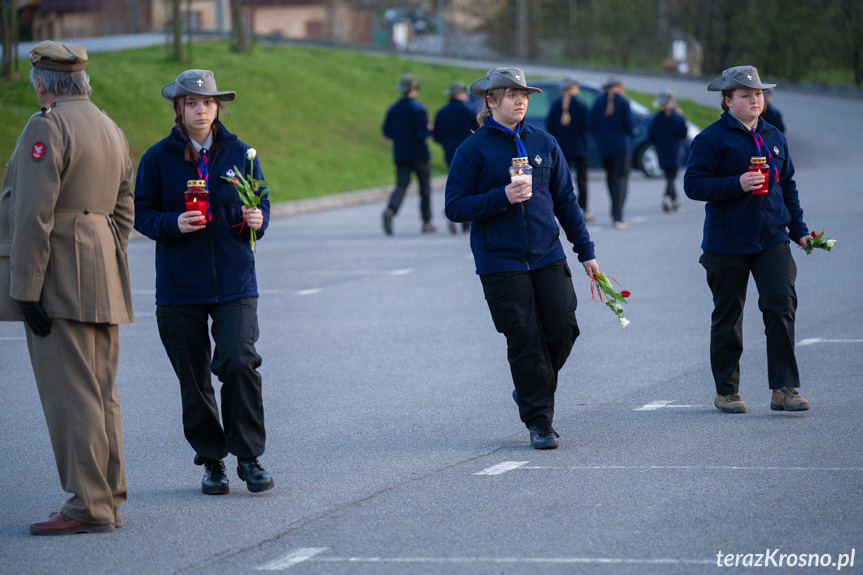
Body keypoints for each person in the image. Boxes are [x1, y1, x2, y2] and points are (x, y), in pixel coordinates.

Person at [0, 41, 134, 535]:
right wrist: (103, 251)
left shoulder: (47, 125)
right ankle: (109, 496)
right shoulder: (109, 126)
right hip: (100, 268)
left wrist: (26, 287)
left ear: (43, 81)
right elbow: (124, 208)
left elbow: (33, 212)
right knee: (101, 392)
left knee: (70, 393)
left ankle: (87, 506)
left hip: (58, 273)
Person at [134, 69, 275, 495]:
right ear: (178, 108)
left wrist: (259, 219)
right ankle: (212, 461)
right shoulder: (158, 158)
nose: (201, 110)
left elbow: (261, 200)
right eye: (192, 103)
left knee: (238, 361)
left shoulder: (240, 153)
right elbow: (141, 214)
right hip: (180, 288)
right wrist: (173, 222)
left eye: (208, 103)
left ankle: (248, 457)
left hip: (235, 280)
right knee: (194, 377)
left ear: (218, 108)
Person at [445, 67, 599, 450]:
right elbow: (455, 205)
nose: (520, 100)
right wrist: (502, 197)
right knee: (525, 341)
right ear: (491, 101)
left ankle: (530, 387)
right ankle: (539, 422)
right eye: (511, 94)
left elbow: (566, 200)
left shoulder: (545, 142)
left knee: (564, 328)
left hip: (548, 254)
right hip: (501, 263)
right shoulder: (473, 149)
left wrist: (586, 252)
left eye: (524, 94)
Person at [684, 65, 811, 415]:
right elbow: (693, 185)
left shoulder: (774, 136)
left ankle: (783, 389)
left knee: (781, 306)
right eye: (746, 95)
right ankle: (727, 391)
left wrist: (798, 229)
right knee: (729, 315)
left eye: (758, 94)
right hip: (727, 243)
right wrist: (735, 184)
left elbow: (788, 186)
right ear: (727, 101)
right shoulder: (710, 139)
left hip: (772, 238)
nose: (755, 100)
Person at [382, 73, 435, 235]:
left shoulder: (393, 107)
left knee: (402, 185)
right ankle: (426, 223)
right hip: (419, 155)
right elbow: (422, 133)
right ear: (414, 89)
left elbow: (386, 131)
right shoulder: (418, 108)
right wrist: (429, 130)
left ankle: (391, 210)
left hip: (400, 154)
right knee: (424, 189)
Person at [433, 81, 478, 233]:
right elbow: (480, 132)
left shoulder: (441, 112)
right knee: (470, 186)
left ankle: (452, 211)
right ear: (463, 93)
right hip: (468, 154)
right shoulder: (469, 110)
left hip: (449, 154)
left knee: (455, 185)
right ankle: (465, 222)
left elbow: (436, 136)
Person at [590, 76, 634, 229]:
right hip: (621, 148)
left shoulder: (597, 102)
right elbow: (629, 126)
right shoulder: (623, 102)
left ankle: (614, 211)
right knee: (621, 180)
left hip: (604, 148)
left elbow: (592, 125)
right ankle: (618, 215)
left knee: (611, 179)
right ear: (619, 86)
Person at [546, 76, 592, 222]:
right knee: (582, 180)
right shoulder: (581, 104)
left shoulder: (555, 105)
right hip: (580, 149)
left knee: (562, 181)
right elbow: (587, 126)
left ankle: (560, 211)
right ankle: (583, 209)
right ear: (575, 87)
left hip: (562, 149)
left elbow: (550, 126)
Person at [648, 89, 688, 212]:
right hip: (674, 150)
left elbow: (651, 135)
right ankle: (668, 198)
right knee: (671, 176)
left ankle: (673, 199)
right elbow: (683, 133)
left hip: (661, 150)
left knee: (668, 175)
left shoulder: (657, 118)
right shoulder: (677, 117)